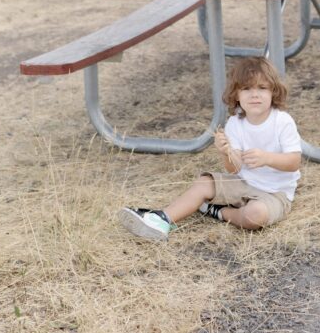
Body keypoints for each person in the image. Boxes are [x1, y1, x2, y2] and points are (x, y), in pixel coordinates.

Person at [119, 57, 301, 241]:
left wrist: (267, 158)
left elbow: (294, 162)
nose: (255, 94)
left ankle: (219, 211)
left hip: (275, 193)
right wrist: (225, 152)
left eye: (262, 88)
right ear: (237, 94)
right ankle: (162, 219)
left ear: (273, 91)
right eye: (247, 89)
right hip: (243, 182)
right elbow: (234, 169)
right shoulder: (235, 123)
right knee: (204, 182)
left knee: (255, 215)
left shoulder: (282, 121)